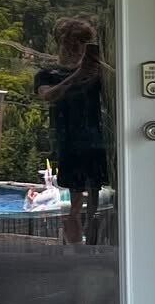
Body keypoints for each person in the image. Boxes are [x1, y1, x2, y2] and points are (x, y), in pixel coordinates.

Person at [34, 18, 110, 245]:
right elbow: (47, 95)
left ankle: (93, 247)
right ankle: (77, 251)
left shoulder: (97, 73)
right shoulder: (48, 73)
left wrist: (100, 70)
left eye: (81, 43)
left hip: (96, 142)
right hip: (69, 142)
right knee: (74, 206)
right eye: (72, 43)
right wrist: (77, 76)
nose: (76, 48)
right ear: (61, 44)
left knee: (97, 202)